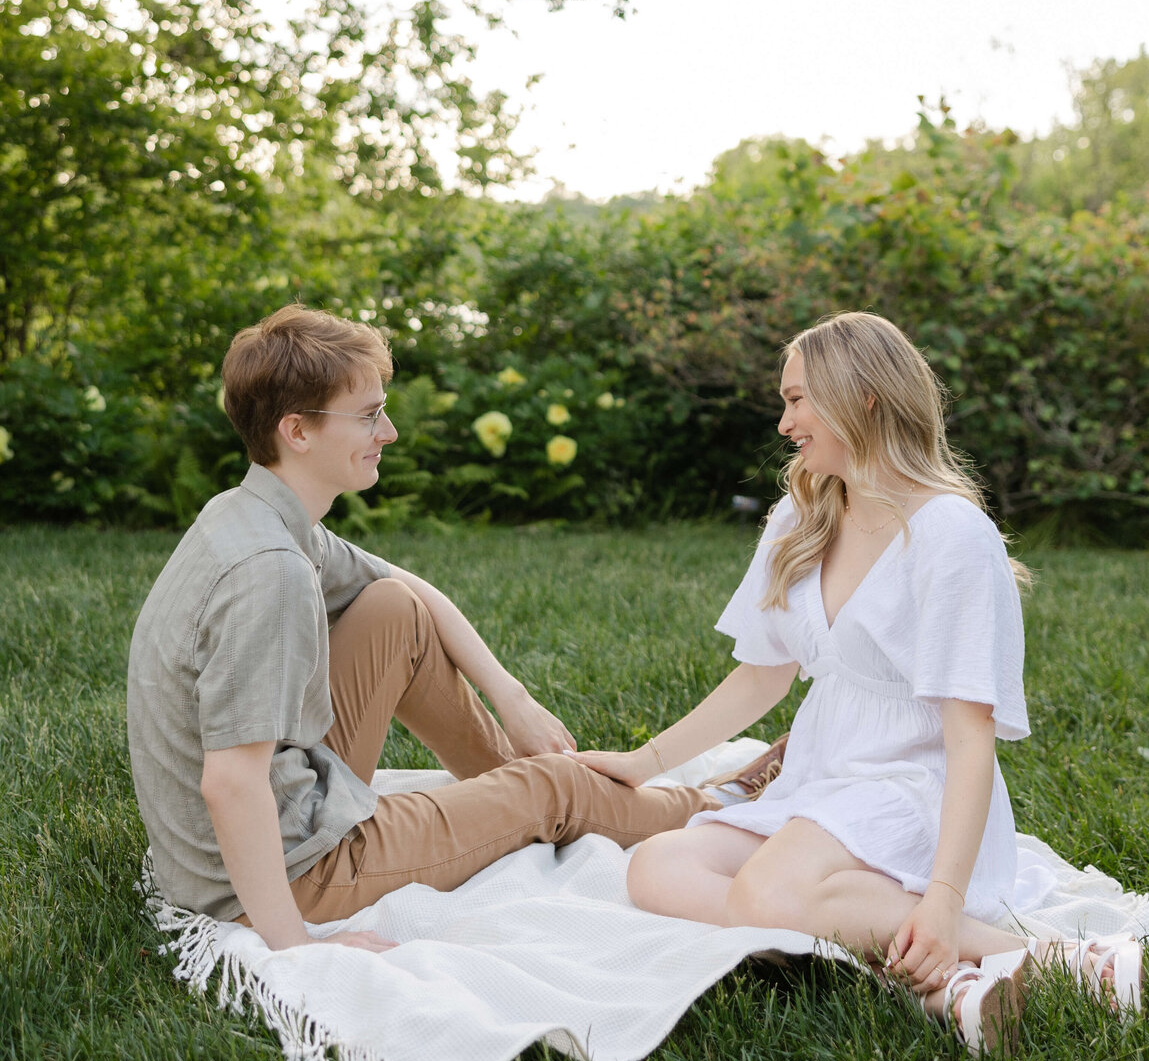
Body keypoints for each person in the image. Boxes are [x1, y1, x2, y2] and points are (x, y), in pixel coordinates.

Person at [571, 312, 1143, 1054]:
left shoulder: (949, 534)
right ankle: (935, 983)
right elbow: (761, 678)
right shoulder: (801, 512)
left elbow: (970, 742)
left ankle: (1048, 959)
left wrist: (940, 900)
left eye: (798, 399)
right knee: (659, 865)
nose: (785, 423)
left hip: (916, 786)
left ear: (863, 397)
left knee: (766, 893)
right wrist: (644, 764)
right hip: (824, 779)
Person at [127, 304, 714, 954]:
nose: (392, 432)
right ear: (297, 431)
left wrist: (511, 698)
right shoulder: (271, 575)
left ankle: (519, 791)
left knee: (392, 607)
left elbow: (413, 591)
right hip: (297, 873)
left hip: (273, 817)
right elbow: (231, 782)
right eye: (370, 415)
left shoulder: (251, 513)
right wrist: (296, 947)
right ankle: (719, 809)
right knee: (554, 786)